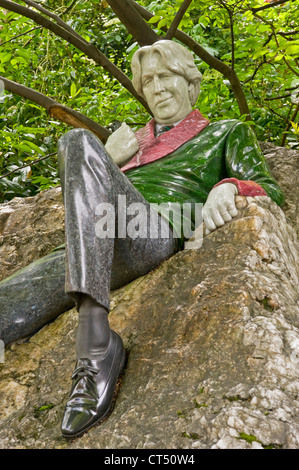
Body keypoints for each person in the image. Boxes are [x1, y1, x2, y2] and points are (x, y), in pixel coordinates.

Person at [0, 40, 284, 438]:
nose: (157, 87)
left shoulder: (224, 132)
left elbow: (273, 188)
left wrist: (230, 186)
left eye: (166, 76)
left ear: (191, 85)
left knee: (76, 141)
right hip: (90, 246)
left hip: (151, 230)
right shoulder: (129, 144)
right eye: (148, 80)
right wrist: (109, 159)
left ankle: (96, 345)